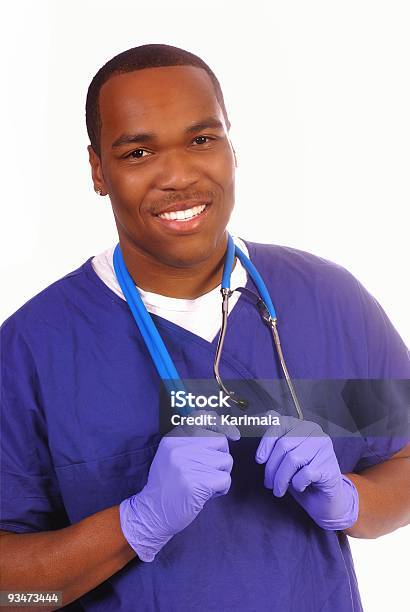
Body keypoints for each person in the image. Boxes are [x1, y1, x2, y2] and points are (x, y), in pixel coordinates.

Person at [0, 43, 409, 612]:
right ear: (98, 170)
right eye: (139, 151)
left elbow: (405, 460)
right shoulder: (32, 350)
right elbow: (9, 590)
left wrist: (351, 499)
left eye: (201, 140)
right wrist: (134, 523)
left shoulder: (330, 301)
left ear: (231, 146)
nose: (178, 176)